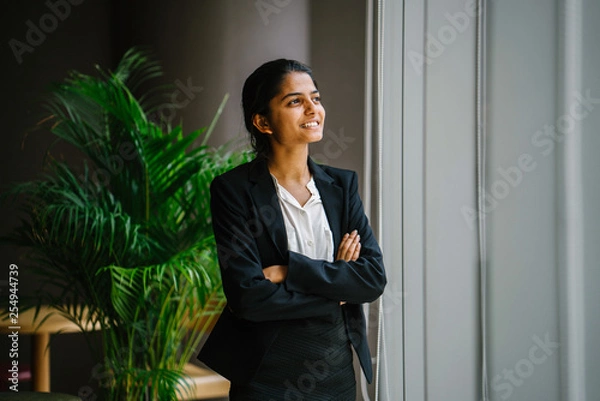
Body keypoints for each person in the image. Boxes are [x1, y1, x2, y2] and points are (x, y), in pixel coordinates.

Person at [197, 59, 386, 400]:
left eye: (316, 97)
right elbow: (248, 298)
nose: (313, 109)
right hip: (266, 374)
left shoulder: (342, 186)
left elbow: (372, 279)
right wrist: (338, 288)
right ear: (262, 122)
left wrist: (288, 270)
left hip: (336, 369)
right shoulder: (233, 190)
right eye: (295, 101)